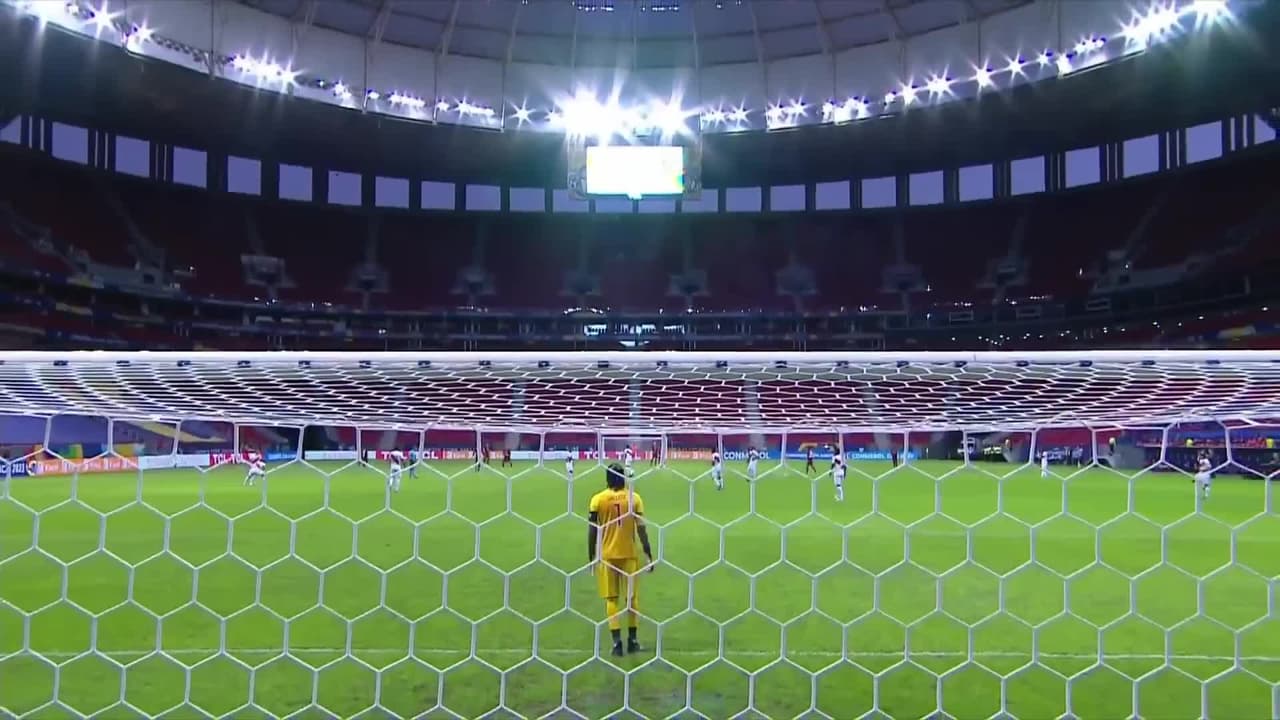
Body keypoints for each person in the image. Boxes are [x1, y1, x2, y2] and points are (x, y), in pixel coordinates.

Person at [587, 463, 654, 656]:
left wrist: (591, 556)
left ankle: (617, 644)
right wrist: (649, 553)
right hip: (629, 556)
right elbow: (641, 529)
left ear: (607, 478)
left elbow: (592, 530)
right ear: (623, 477)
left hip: (607, 557)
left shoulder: (597, 500)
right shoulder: (634, 498)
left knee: (611, 599)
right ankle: (632, 641)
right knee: (631, 598)